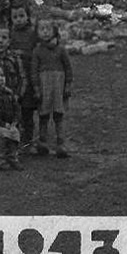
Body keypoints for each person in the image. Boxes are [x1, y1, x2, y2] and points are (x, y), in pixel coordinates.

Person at [31, 18, 73, 158]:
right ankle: (42, 143)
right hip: (44, 87)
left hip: (58, 87)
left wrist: (67, 85)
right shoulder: (37, 51)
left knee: (58, 115)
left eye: (48, 29)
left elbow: (68, 68)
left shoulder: (60, 50)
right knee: (43, 115)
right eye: (42, 29)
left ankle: (61, 143)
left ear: (54, 31)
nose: (45, 32)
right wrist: (36, 88)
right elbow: (34, 70)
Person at [9, 2, 38, 153]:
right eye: (15, 17)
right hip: (15, 78)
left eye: (21, 16)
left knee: (27, 111)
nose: (19, 19)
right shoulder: (10, 34)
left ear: (27, 17)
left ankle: (30, 141)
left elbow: (36, 54)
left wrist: (23, 54)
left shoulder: (32, 33)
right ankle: (16, 142)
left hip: (29, 76)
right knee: (16, 110)